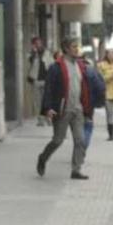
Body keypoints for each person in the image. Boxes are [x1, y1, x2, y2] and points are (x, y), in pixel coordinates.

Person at [36, 37, 93, 180]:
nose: (76, 49)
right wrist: (48, 108)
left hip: (78, 109)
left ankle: (76, 170)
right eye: (74, 46)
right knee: (58, 140)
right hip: (62, 110)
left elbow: (86, 88)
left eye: (77, 46)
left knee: (80, 140)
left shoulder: (81, 65)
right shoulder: (56, 67)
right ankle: (43, 158)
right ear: (66, 49)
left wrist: (88, 108)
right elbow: (48, 89)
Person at [27, 37, 53, 126]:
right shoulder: (33, 54)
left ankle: (49, 118)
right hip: (36, 80)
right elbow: (30, 62)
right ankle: (40, 120)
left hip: (46, 80)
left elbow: (51, 65)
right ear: (33, 45)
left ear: (41, 43)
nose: (38, 45)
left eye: (39, 43)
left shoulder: (47, 53)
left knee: (47, 101)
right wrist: (34, 53)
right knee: (37, 101)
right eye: (35, 43)